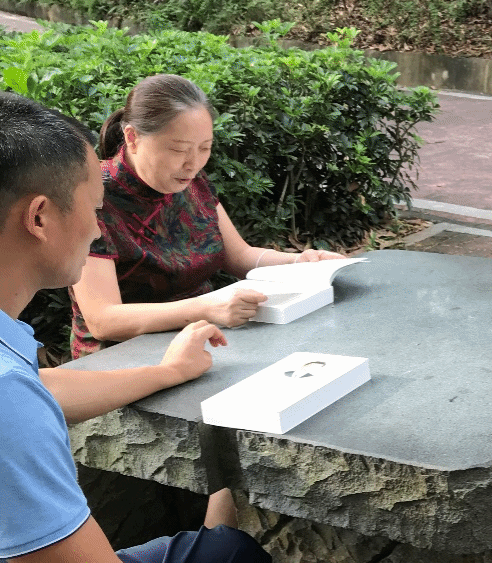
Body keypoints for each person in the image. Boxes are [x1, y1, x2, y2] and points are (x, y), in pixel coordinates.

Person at [0, 92, 374, 563]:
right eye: (92, 210)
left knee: (226, 549)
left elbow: (41, 389)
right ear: (39, 217)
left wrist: (169, 371)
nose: (97, 227)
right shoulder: (5, 402)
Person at [69, 74, 344, 358]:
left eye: (204, 148)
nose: (193, 164)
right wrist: (207, 308)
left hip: (202, 340)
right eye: (178, 150)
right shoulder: (92, 197)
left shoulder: (191, 182)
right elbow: (103, 320)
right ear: (132, 137)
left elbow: (239, 256)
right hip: (120, 359)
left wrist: (301, 262)